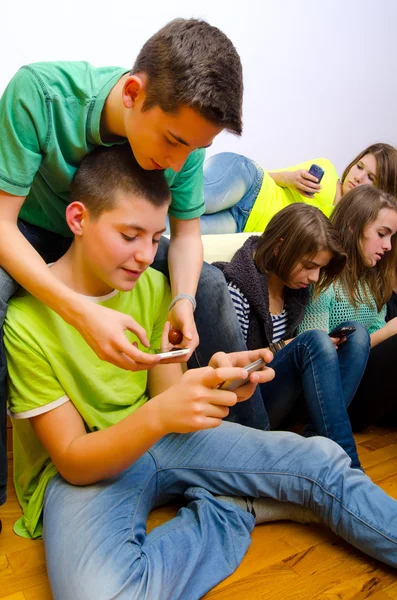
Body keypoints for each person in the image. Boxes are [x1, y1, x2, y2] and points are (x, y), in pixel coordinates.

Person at [5, 145, 397, 600]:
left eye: (155, 239)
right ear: (78, 219)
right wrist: (164, 413)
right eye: (130, 235)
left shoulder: (156, 286)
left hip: (162, 439)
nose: (143, 255)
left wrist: (217, 382)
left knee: (321, 460)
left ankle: (238, 497)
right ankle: (231, 510)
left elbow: (165, 394)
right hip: (87, 470)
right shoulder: (26, 319)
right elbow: (73, 459)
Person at [0, 18, 244, 519]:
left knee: (212, 284)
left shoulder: (186, 144)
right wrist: (80, 313)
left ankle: (245, 444)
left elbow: (188, 236)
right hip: (30, 231)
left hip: (114, 237)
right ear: (133, 92)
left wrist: (182, 301)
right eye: (174, 142)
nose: (179, 166)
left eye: (195, 151)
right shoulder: (38, 94)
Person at [212, 203, 369, 469]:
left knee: (357, 335)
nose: (315, 277)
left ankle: (317, 438)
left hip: (284, 401)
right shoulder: (235, 290)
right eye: (309, 266)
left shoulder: (295, 292)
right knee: (314, 341)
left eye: (320, 268)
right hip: (248, 405)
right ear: (280, 246)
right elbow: (232, 373)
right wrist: (288, 345)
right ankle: (349, 466)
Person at [297, 185, 397, 430]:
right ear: (353, 226)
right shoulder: (322, 277)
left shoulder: (372, 280)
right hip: (324, 389)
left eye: (392, 237)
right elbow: (315, 350)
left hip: (363, 380)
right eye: (382, 234)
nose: (388, 246)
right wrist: (388, 332)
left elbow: (376, 331)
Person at [199, 142, 397, 234]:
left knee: (178, 228)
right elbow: (267, 175)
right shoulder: (326, 169)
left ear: (382, 190)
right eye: (359, 166)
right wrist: (289, 178)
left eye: (371, 177)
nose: (358, 177)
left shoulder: (347, 227)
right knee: (191, 202)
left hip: (244, 223)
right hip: (251, 185)